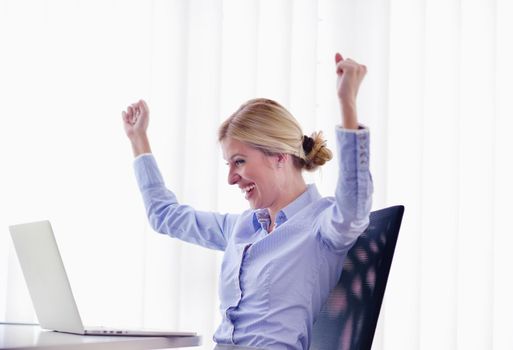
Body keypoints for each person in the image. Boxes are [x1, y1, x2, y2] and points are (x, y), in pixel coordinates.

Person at [121, 53, 373, 350]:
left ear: (279, 155)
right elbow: (165, 216)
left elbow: (355, 206)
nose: (231, 178)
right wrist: (138, 140)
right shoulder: (241, 228)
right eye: (229, 164)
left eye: (239, 162)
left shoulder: (324, 225)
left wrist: (347, 104)